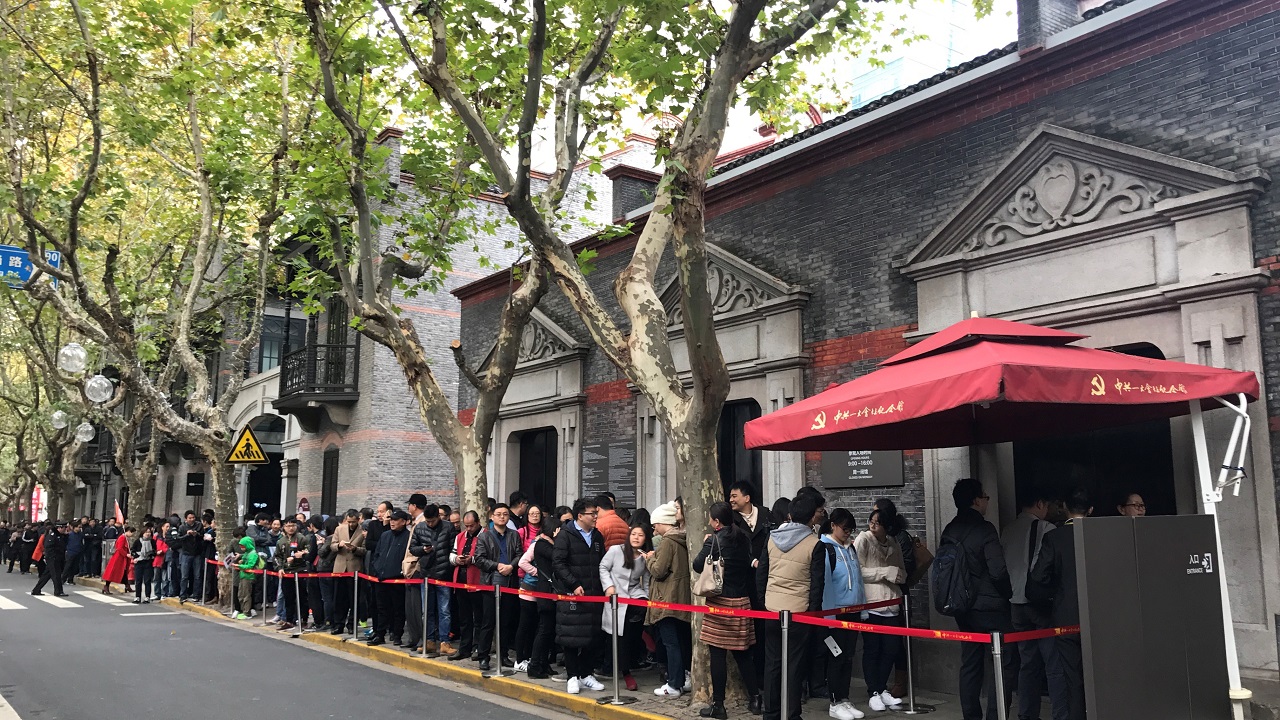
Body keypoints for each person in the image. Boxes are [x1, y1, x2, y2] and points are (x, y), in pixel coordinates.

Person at [940, 478, 1016, 720]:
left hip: (962, 606)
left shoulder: (950, 529)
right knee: (1001, 665)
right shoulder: (985, 529)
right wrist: (1008, 594)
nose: (987, 501)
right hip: (991, 607)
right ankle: (996, 715)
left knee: (970, 663)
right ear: (975, 500)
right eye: (985, 497)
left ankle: (971, 716)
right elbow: (998, 571)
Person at [758, 493, 826, 720]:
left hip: (772, 608)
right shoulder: (815, 544)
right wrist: (814, 614)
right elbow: (817, 585)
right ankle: (791, 714)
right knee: (794, 666)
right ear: (811, 517)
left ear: (790, 514)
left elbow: (762, 573)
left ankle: (771, 713)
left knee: (772, 663)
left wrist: (764, 601)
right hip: (799, 611)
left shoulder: (771, 538)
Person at [694, 501, 761, 719]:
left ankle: (718, 705)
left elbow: (697, 565)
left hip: (720, 601)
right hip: (742, 600)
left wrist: (707, 543)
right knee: (743, 653)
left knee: (717, 654)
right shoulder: (743, 537)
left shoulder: (714, 540)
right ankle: (755, 698)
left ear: (716, 522)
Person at [1028, 489, 1090, 720]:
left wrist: (1055, 592)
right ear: (1091, 510)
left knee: (1073, 677)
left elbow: (1038, 577)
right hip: (1101, 615)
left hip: (1067, 616)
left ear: (1064, 507)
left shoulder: (1055, 537)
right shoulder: (1103, 535)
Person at [1001, 488, 1055, 720]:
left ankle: (1027, 714)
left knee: (1027, 662)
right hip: (1038, 603)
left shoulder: (1008, 529)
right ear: (1040, 503)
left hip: (1014, 604)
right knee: (1052, 661)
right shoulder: (1045, 529)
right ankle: (1059, 712)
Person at [855, 502, 908, 712]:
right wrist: (885, 572)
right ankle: (873, 691)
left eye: (878, 523)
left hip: (892, 603)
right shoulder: (863, 539)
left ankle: (882, 687)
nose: (873, 525)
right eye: (871, 521)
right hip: (871, 603)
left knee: (891, 648)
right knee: (872, 649)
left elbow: (902, 570)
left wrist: (898, 575)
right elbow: (857, 570)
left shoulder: (894, 542)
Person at [553, 497, 608, 695]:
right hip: (572, 594)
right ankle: (572, 676)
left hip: (594, 594)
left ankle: (586, 674)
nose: (595, 517)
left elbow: (602, 562)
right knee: (571, 637)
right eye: (592, 514)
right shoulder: (565, 535)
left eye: (596, 513)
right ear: (580, 516)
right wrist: (573, 584)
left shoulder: (597, 536)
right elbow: (558, 563)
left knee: (591, 636)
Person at [821, 509, 868, 720]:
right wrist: (829, 617)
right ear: (833, 525)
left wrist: (863, 609)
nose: (848, 533)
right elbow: (826, 586)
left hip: (854, 611)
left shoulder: (851, 549)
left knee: (848, 657)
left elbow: (858, 580)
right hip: (836, 613)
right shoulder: (826, 549)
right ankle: (834, 701)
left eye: (850, 529)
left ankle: (844, 698)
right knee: (836, 656)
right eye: (845, 528)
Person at [600, 523, 652, 691]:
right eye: (634, 534)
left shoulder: (644, 557)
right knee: (621, 636)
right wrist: (608, 586)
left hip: (634, 594)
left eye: (640, 535)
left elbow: (646, 581)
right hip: (616, 595)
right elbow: (603, 567)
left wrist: (648, 600)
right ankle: (626, 673)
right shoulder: (616, 550)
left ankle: (645, 641)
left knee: (641, 611)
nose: (636, 538)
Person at [519, 506, 568, 679]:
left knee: (549, 630)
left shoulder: (545, 543)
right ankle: (535, 665)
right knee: (544, 629)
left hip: (549, 591)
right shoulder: (542, 545)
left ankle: (544, 663)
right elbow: (557, 557)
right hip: (545, 592)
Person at [648, 500, 691, 698]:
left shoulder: (667, 542)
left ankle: (674, 683)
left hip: (666, 597)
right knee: (680, 642)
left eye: (655, 524)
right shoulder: (682, 539)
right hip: (681, 598)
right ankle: (681, 680)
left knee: (671, 643)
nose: (654, 529)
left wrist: (649, 558)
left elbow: (658, 570)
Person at [474, 503, 522, 670]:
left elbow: (519, 554)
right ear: (492, 517)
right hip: (490, 582)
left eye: (505, 514)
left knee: (506, 621)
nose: (502, 517)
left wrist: (511, 566)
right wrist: (497, 566)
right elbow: (479, 559)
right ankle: (483, 656)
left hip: (509, 582)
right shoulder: (484, 536)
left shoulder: (514, 535)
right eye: (499, 514)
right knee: (488, 622)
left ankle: (503, 655)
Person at [410, 503, 454, 655]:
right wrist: (423, 549)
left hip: (444, 574)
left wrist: (448, 566)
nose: (430, 524)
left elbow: (452, 548)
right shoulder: (419, 527)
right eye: (428, 521)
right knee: (427, 610)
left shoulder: (448, 527)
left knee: (444, 610)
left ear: (438, 517)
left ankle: (445, 641)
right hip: (426, 574)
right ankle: (429, 641)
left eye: (433, 521)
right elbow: (412, 548)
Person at [367, 509, 411, 646]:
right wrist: (377, 568)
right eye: (391, 519)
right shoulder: (385, 535)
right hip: (381, 578)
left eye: (396, 520)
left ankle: (397, 634)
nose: (392, 522)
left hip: (397, 579)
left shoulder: (408, 537)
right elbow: (377, 554)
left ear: (404, 522)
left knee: (398, 608)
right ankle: (380, 634)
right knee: (381, 608)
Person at [448, 511, 484, 660]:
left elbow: (487, 556)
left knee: (479, 618)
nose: (469, 529)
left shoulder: (485, 535)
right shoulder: (460, 536)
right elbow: (452, 554)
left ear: (478, 522)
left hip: (477, 581)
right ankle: (464, 648)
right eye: (466, 526)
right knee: (464, 617)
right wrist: (457, 559)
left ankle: (477, 647)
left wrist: (472, 559)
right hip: (461, 581)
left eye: (471, 526)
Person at [329, 509, 366, 634]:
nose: (351, 524)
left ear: (358, 520)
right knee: (339, 598)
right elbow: (332, 546)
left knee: (354, 598)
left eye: (353, 522)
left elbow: (365, 550)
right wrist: (339, 545)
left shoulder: (363, 531)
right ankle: (339, 624)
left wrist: (355, 549)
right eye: (349, 522)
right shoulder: (339, 529)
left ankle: (351, 624)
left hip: (355, 568)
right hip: (340, 568)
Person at [402, 493, 430, 651]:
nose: (408, 507)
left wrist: (415, 567)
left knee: (418, 607)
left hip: (416, 569)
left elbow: (422, 548)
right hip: (409, 568)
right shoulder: (416, 522)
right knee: (410, 607)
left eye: (410, 504)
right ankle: (414, 637)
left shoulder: (423, 522)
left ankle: (420, 638)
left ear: (414, 506)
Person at [276, 516, 313, 631]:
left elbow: (309, 553)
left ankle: (304, 619)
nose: (290, 528)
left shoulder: (302, 539)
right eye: (288, 526)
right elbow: (277, 556)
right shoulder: (281, 541)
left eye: (293, 525)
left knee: (302, 597)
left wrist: (300, 556)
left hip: (300, 571)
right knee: (288, 598)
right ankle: (289, 620)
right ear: (284, 527)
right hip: (287, 572)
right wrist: (280, 567)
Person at [32, 521, 70, 597]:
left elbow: (64, 544)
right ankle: (58, 591)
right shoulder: (52, 535)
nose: (66, 529)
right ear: (59, 528)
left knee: (46, 575)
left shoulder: (60, 535)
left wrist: (65, 535)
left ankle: (36, 590)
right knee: (56, 575)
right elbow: (49, 547)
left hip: (57, 558)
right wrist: (51, 557)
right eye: (64, 527)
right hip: (53, 558)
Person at [230, 529, 259, 618]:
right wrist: (240, 561)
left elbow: (250, 565)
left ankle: (247, 612)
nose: (241, 548)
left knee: (246, 595)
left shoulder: (253, 554)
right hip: (243, 575)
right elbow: (244, 560)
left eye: (242, 546)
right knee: (241, 594)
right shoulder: (247, 553)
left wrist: (239, 566)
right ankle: (243, 610)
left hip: (248, 576)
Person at [177, 510, 204, 603]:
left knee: (197, 576)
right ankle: (183, 595)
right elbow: (178, 538)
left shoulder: (199, 525)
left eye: (193, 518)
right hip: (186, 553)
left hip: (197, 553)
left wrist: (197, 534)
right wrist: (187, 534)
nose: (192, 519)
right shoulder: (182, 527)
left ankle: (196, 595)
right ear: (186, 519)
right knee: (184, 576)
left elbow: (202, 536)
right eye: (190, 518)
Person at [101, 525, 135, 595]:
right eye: (132, 533)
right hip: (118, 558)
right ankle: (106, 586)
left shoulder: (125, 538)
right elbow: (119, 548)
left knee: (124, 572)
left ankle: (127, 586)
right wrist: (126, 554)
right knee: (112, 572)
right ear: (128, 531)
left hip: (122, 558)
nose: (132, 534)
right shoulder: (122, 538)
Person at [130, 526, 158, 604]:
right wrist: (136, 557)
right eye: (146, 532)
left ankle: (147, 597)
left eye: (149, 532)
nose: (147, 534)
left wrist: (151, 555)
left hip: (148, 562)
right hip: (139, 562)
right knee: (138, 580)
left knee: (147, 580)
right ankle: (137, 597)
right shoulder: (138, 541)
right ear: (142, 533)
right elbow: (133, 550)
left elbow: (154, 551)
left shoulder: (152, 541)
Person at [62, 520, 83, 586]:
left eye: (80, 527)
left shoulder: (81, 535)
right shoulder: (69, 535)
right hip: (70, 552)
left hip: (78, 552)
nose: (79, 529)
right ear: (74, 527)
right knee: (68, 566)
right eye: (78, 527)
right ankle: (63, 579)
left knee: (74, 567)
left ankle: (70, 579)